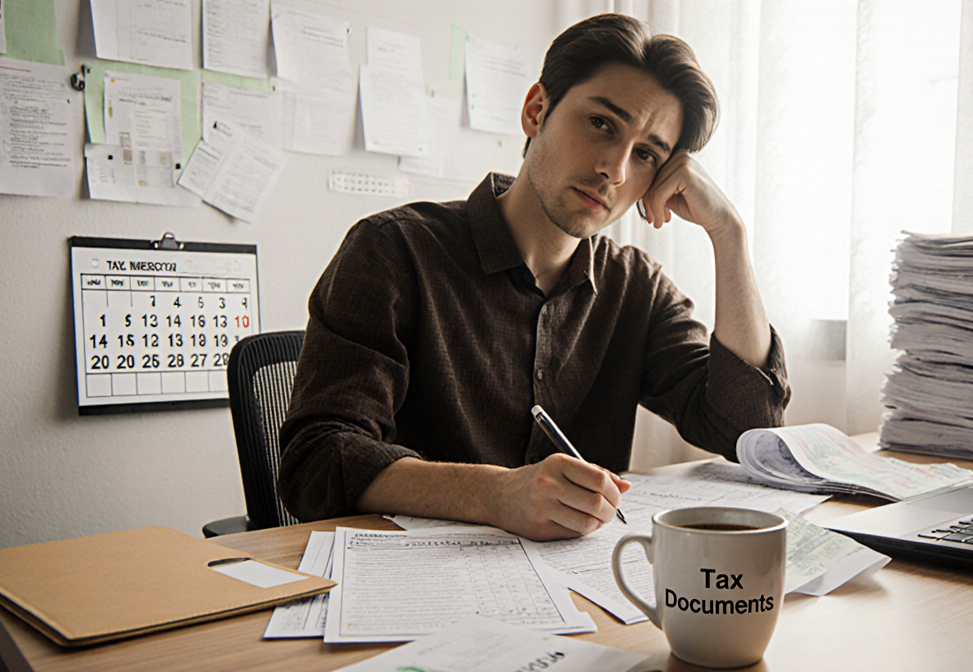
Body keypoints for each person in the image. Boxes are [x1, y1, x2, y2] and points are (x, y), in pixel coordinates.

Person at [278, 13, 790, 541]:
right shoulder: (394, 250)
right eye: (601, 124)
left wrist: (729, 234)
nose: (614, 169)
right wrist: (497, 494)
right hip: (405, 588)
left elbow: (746, 429)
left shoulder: (636, 288)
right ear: (536, 110)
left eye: (645, 155)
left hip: (577, 598)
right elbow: (315, 459)